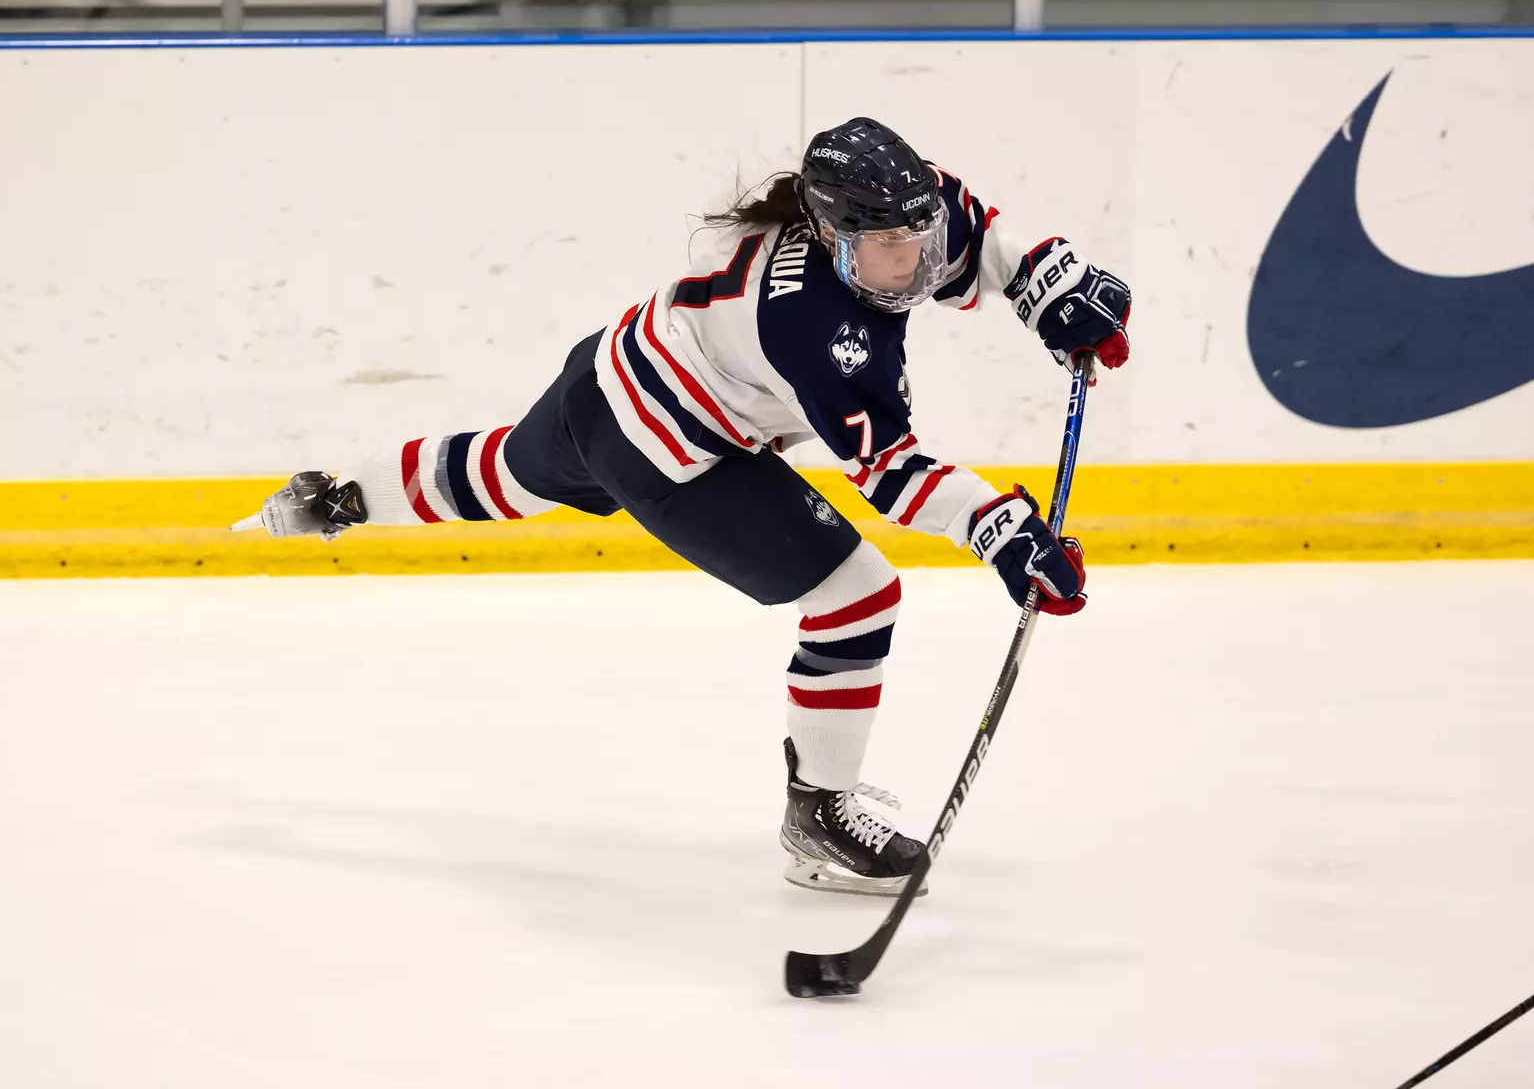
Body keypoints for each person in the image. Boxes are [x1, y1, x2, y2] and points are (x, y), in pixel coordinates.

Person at [233, 117, 1133, 898]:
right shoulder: (825, 334)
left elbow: (976, 230)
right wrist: (1000, 528)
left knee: (507, 474)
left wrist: (1045, 281)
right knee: (856, 596)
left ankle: (339, 494)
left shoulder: (909, 209)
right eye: (888, 249)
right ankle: (818, 820)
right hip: (671, 448)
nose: (915, 265)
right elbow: (891, 472)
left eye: (918, 236)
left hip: (611, 370)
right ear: (831, 236)